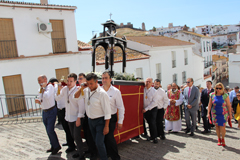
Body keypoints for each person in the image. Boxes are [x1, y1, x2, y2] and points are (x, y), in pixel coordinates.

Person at [74, 73, 111, 160]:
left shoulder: (102, 94)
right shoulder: (86, 90)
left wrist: (106, 126)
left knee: (99, 143)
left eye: (91, 83)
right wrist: (81, 88)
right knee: (96, 141)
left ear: (96, 82)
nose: (90, 85)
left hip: (100, 121)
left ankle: (104, 158)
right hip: (91, 121)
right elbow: (75, 97)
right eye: (88, 83)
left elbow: (107, 112)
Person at [55, 73, 85, 159]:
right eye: (68, 81)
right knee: (73, 136)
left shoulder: (78, 91)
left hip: (76, 118)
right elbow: (57, 98)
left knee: (77, 136)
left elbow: (81, 107)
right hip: (68, 117)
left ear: (75, 81)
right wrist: (58, 89)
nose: (69, 83)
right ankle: (79, 151)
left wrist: (79, 118)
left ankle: (82, 155)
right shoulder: (65, 89)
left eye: (71, 81)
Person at [35, 75, 61, 154]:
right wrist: (39, 100)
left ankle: (57, 146)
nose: (39, 82)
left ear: (45, 79)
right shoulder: (41, 88)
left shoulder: (50, 87)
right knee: (48, 130)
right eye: (38, 81)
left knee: (50, 130)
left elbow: (46, 96)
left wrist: (43, 88)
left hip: (51, 111)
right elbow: (40, 97)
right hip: (44, 111)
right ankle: (53, 145)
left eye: (40, 80)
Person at [102, 71, 125, 160]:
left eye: (106, 78)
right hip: (101, 118)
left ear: (110, 79)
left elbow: (121, 107)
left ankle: (115, 157)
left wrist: (120, 121)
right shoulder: (99, 90)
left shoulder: (116, 91)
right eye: (103, 78)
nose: (104, 80)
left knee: (109, 137)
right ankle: (107, 154)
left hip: (111, 118)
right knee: (103, 138)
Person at [49, 77, 76, 153]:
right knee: (65, 128)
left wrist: (61, 88)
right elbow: (56, 98)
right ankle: (69, 142)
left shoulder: (65, 89)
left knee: (68, 129)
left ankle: (72, 145)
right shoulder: (57, 90)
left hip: (65, 110)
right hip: (60, 110)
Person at [78, 73, 98, 159]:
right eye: (79, 79)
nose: (80, 81)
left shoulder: (89, 89)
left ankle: (94, 153)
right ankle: (90, 149)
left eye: (81, 78)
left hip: (91, 114)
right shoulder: (81, 89)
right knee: (86, 134)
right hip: (85, 114)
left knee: (91, 135)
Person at [143, 78, 158, 143]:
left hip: (152, 109)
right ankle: (147, 134)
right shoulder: (143, 89)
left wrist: (146, 109)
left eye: (149, 82)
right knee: (147, 122)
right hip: (145, 109)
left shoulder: (154, 91)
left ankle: (154, 137)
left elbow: (154, 102)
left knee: (152, 123)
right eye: (146, 81)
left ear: (152, 83)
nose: (147, 83)